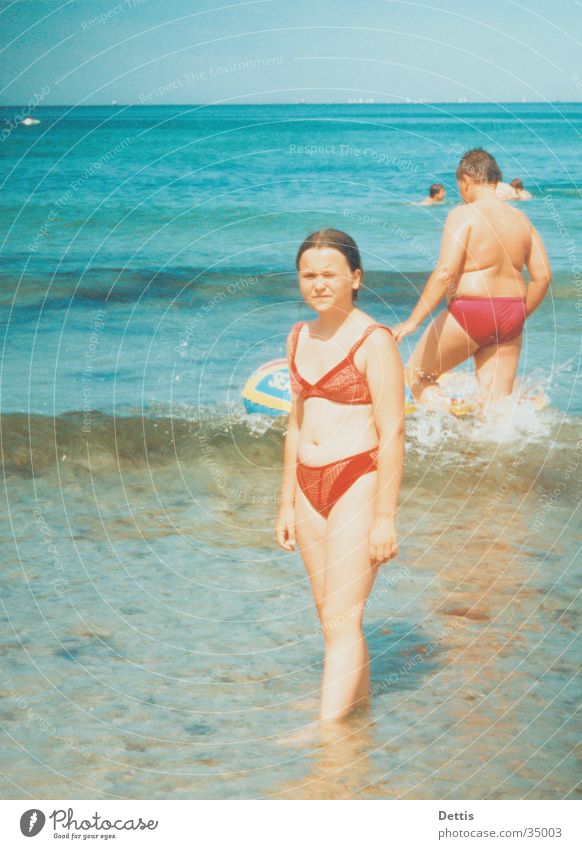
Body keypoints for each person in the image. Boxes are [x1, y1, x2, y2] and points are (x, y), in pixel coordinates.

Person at [275, 229, 405, 723]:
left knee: (342, 619)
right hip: (308, 488)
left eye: (329, 274)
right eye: (309, 275)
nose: (318, 283)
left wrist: (385, 518)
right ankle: (356, 719)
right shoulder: (297, 337)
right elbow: (295, 423)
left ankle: (325, 738)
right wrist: (286, 501)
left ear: (355, 277)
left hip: (357, 480)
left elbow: (393, 432)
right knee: (333, 620)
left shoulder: (375, 341)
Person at [393, 148, 551, 409]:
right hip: (511, 313)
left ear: (465, 180)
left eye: (460, 186)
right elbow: (543, 276)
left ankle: (447, 411)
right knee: (496, 406)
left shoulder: (463, 214)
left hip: (471, 311)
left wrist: (412, 321)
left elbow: (446, 271)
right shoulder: (522, 219)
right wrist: (518, 315)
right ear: (495, 179)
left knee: (418, 376)